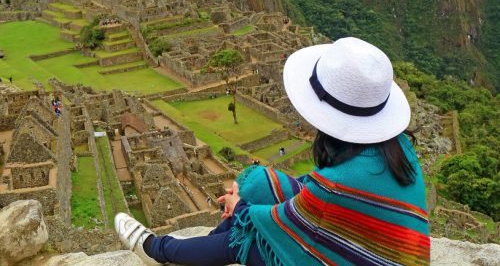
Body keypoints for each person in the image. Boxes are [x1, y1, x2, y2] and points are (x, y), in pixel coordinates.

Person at [115, 37, 430, 266]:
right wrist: (248, 195)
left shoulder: (336, 186)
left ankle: (157, 250)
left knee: (244, 239)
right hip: (374, 249)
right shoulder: (399, 149)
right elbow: (315, 194)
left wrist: (239, 208)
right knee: (256, 184)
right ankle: (198, 243)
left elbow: (292, 216)